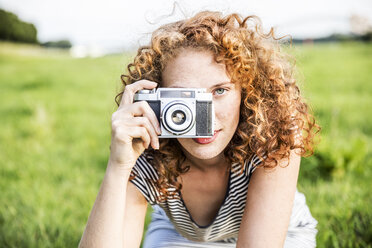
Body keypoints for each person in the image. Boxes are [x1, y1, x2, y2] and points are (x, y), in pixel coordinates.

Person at [79, 10, 320, 248]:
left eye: (219, 91)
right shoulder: (147, 143)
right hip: (182, 235)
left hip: (283, 232)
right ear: (156, 98)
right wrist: (119, 166)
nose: (205, 116)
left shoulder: (271, 138)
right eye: (185, 98)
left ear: (246, 93)